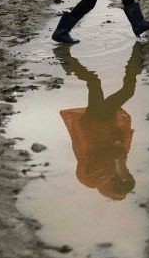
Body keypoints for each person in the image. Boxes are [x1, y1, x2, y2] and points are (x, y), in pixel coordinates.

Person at [56, 43, 141, 200]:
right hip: (102, 122)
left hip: (96, 122)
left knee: (121, 89)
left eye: (125, 178)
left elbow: (110, 151)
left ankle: (138, 58)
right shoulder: (108, 173)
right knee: (95, 83)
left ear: (115, 182)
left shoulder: (95, 176)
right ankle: (67, 62)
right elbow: (117, 146)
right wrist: (119, 160)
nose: (126, 174)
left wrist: (120, 165)